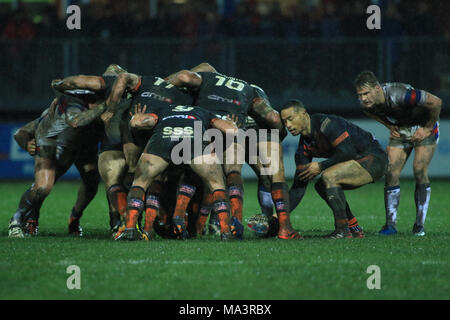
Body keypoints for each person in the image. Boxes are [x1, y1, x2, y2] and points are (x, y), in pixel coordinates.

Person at [168, 70, 300, 240]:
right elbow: (273, 118)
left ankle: (196, 225)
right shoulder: (251, 90)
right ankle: (281, 225)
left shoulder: (206, 80)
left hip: (222, 122)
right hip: (252, 124)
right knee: (268, 174)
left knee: (203, 173)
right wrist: (280, 135)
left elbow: (185, 76)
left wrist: (159, 85)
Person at [115, 103, 239, 241]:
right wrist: (231, 123)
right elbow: (231, 130)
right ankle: (225, 232)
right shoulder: (203, 111)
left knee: (139, 183)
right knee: (217, 185)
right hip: (193, 138)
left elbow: (137, 123)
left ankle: (130, 229)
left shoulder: (163, 109)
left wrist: (136, 118)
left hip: (164, 137)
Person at [280, 99, 388, 238]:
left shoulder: (327, 125)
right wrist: (279, 215)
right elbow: (298, 188)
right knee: (321, 185)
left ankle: (342, 229)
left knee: (329, 176)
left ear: (303, 114)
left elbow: (348, 152)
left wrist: (320, 166)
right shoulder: (303, 148)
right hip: (357, 161)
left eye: (290, 119)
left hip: (374, 159)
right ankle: (352, 226)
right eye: (284, 122)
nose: (288, 125)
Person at [354, 70, 442, 236]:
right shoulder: (367, 104)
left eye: (366, 93)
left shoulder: (400, 94)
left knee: (419, 170)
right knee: (391, 171)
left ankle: (419, 225)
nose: (363, 98)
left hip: (424, 127)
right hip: (402, 129)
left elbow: (436, 102)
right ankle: (390, 226)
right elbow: (370, 112)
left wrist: (428, 128)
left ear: (377, 88)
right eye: (360, 95)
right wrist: (389, 125)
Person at [8, 90, 104, 238]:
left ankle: (74, 219)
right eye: (88, 99)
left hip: (84, 150)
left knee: (91, 183)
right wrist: (27, 144)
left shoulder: (98, 114)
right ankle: (18, 219)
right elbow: (21, 133)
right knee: (43, 187)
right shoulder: (58, 113)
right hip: (57, 150)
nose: (92, 102)